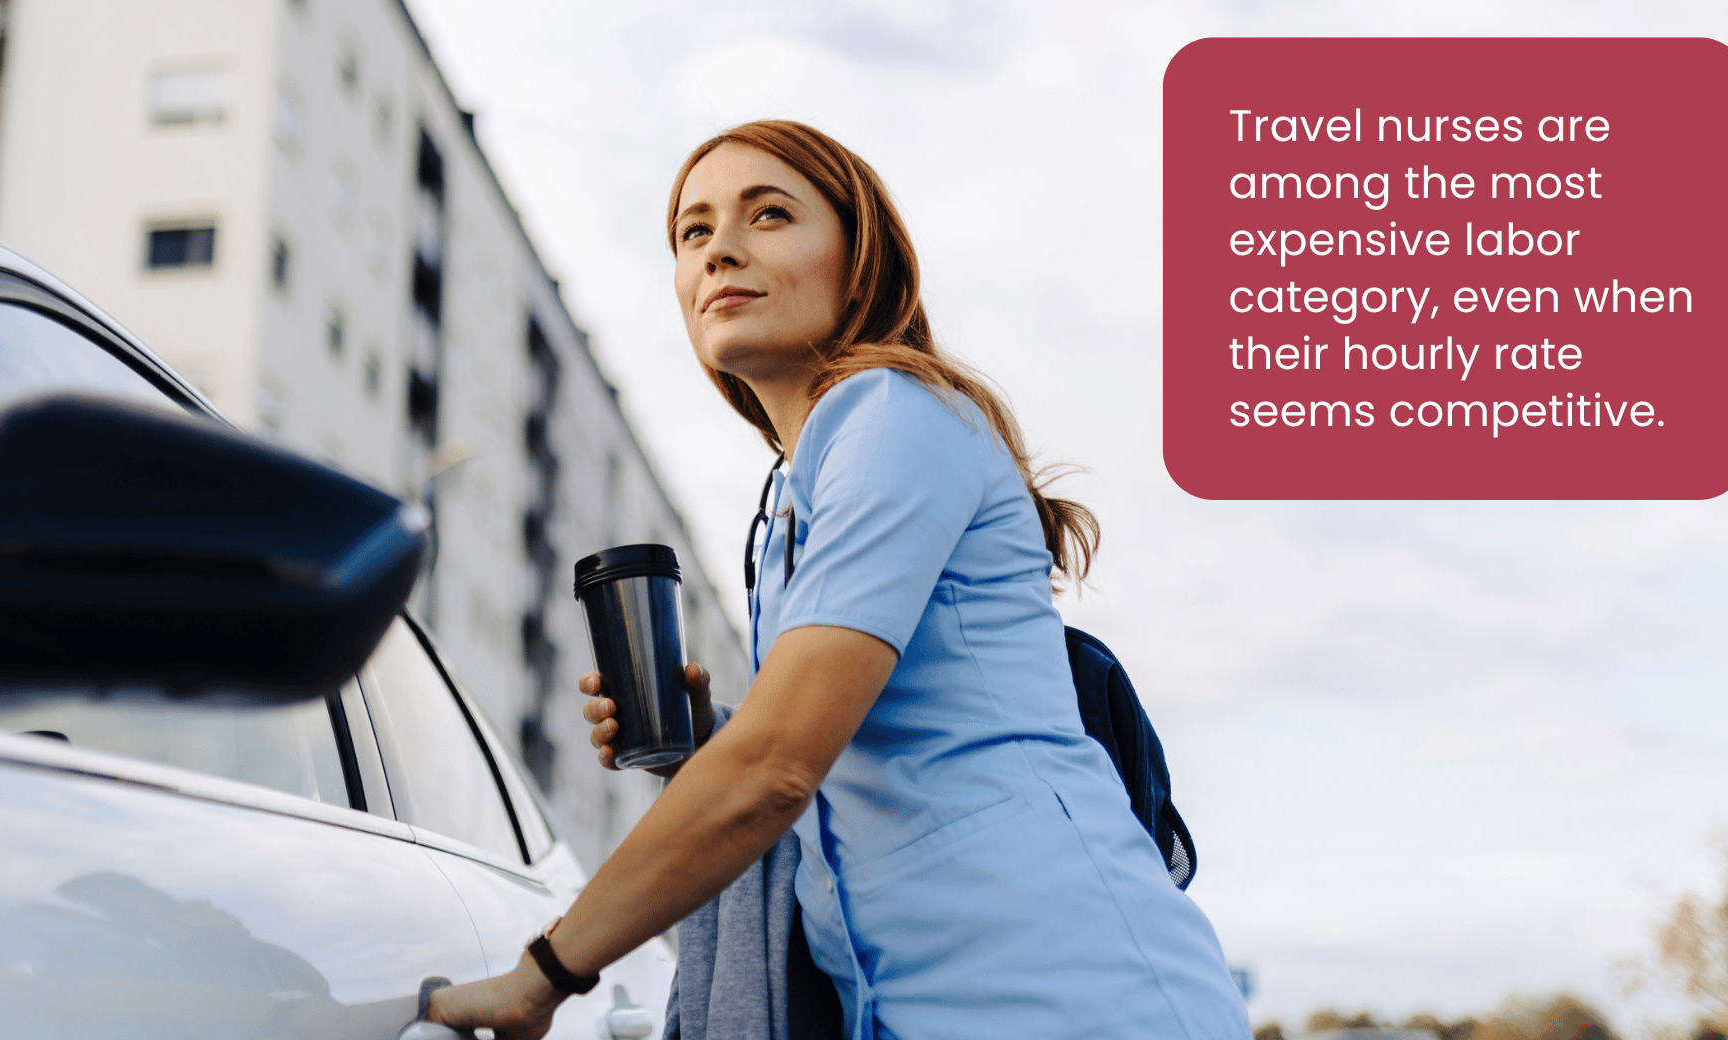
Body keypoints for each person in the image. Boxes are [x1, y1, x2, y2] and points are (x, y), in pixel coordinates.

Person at [428, 120, 1251, 1040]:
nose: (721, 250)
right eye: (693, 232)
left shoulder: (892, 413)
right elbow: (823, 759)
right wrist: (713, 746)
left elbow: (777, 769)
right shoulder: (795, 488)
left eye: (768, 214)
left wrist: (543, 973)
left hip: (1076, 999)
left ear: (861, 260)